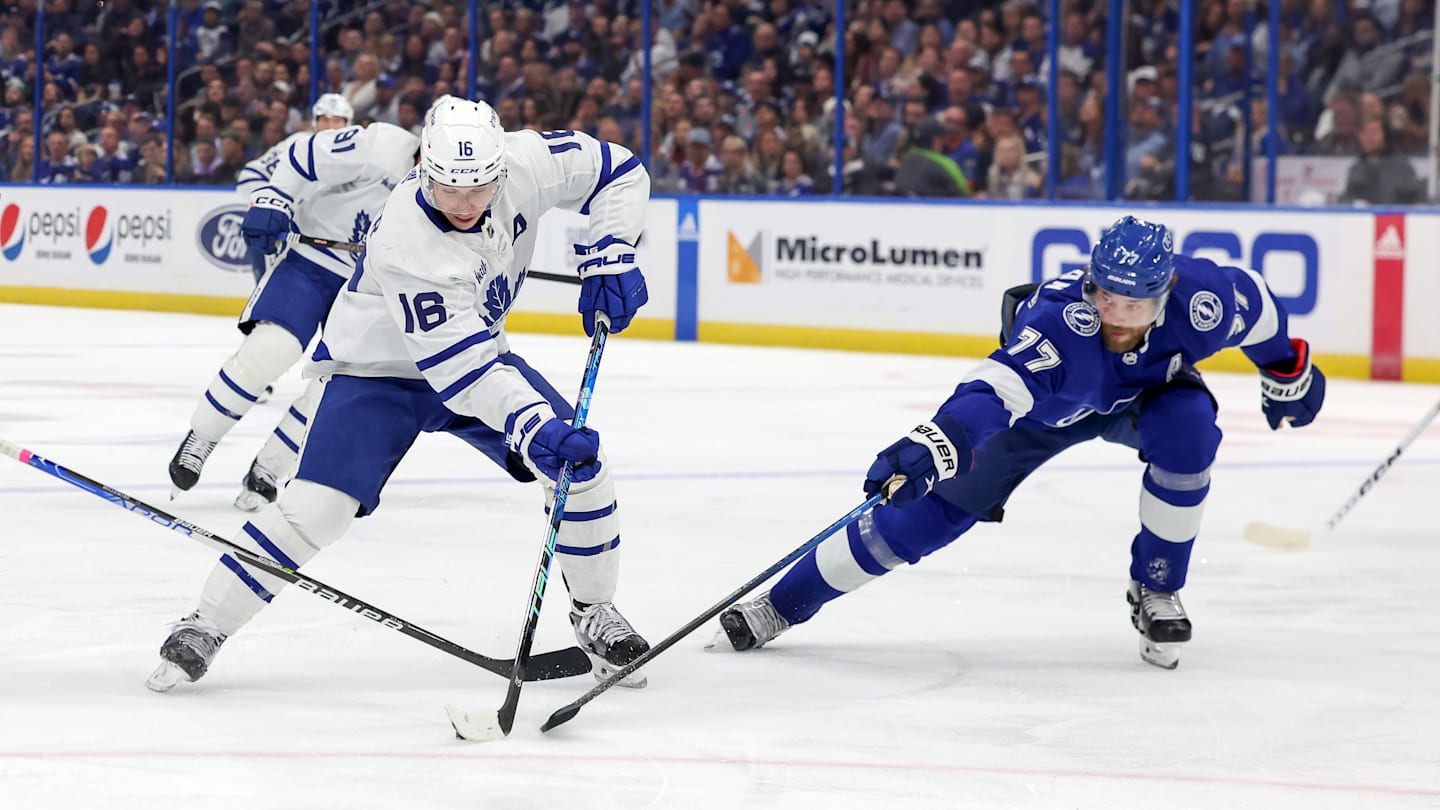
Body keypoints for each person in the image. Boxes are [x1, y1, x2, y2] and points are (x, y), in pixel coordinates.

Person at [147, 95, 654, 693]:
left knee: (581, 468)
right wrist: (533, 425)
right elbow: (462, 373)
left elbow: (619, 170)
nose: (465, 205)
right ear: (424, 169)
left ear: (499, 169)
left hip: (476, 352)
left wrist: (612, 250)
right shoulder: (405, 239)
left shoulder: (526, 161)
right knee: (317, 511)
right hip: (378, 370)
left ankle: (594, 613)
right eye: (448, 189)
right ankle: (207, 623)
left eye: (479, 189)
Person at [719, 216, 1327, 670]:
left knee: (1190, 431)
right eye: (1106, 295)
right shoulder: (1063, 325)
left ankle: (1158, 585)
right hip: (1040, 415)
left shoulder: (1202, 300)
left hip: (1145, 399)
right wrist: (937, 442)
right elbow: (993, 390)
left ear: (1164, 296)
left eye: (1133, 304)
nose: (1115, 316)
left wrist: (1285, 370)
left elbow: (1261, 306)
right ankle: (785, 602)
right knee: (923, 516)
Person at [167, 93, 418, 513]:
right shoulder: (380, 146)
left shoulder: (466, 193)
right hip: (311, 261)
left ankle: (269, 468)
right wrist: (274, 200)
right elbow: (297, 157)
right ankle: (203, 437)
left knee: (332, 386)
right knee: (270, 350)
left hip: (367, 286)